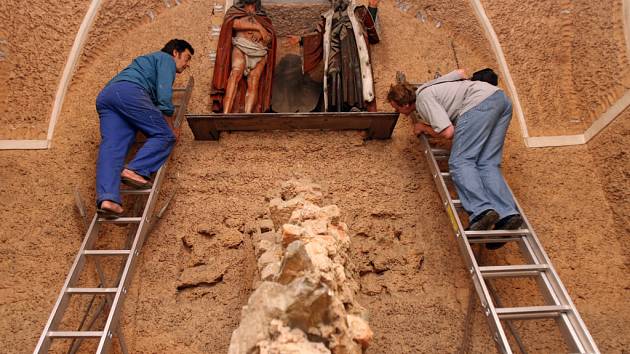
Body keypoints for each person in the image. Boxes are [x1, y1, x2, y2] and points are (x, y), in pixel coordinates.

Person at [388, 69, 523, 248]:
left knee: (460, 162)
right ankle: (508, 214)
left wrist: (423, 128)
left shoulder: (423, 100)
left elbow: (448, 132)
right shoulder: (431, 86)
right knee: (487, 163)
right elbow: (460, 73)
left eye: (395, 108)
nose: (397, 112)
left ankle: (481, 211)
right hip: (501, 100)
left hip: (478, 104)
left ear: (404, 105)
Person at [95, 39, 194, 218]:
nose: (187, 64)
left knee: (112, 147)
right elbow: (164, 96)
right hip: (130, 92)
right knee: (165, 135)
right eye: (186, 58)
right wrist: (171, 127)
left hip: (107, 96)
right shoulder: (165, 59)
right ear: (175, 53)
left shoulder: (146, 65)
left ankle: (108, 199)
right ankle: (137, 170)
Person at [287, 0, 380, 112]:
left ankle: (355, 105)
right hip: (335, 52)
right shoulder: (327, 17)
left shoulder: (358, 11)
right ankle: (337, 106)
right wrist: (301, 39)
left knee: (351, 72)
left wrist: (373, 8)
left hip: (352, 52)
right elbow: (318, 36)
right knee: (334, 73)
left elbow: (371, 28)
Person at [211, 0, 276, 113]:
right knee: (235, 72)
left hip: (259, 51)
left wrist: (263, 35)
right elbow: (233, 23)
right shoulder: (235, 11)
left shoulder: (263, 17)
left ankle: (248, 113)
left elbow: (269, 38)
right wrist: (258, 27)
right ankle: (226, 113)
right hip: (241, 45)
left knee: (254, 80)